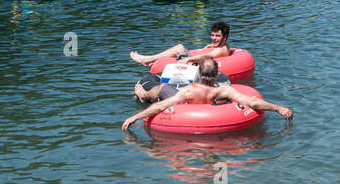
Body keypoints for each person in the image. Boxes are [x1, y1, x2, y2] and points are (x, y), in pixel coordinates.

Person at [122, 56, 292, 131]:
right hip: (214, 117)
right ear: (216, 75)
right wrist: (279, 108)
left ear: (198, 74)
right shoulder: (224, 90)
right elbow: (253, 102)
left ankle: (142, 94)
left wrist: (135, 117)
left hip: (187, 114)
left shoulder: (189, 90)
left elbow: (160, 105)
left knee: (162, 90)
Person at [130, 20, 232, 100]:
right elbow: (206, 49)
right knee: (180, 48)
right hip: (196, 65)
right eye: (212, 35)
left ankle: (148, 59)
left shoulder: (222, 50)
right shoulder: (218, 46)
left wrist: (188, 59)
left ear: (225, 37)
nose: (214, 38)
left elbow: (207, 55)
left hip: (196, 69)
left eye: (217, 36)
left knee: (179, 47)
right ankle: (150, 60)